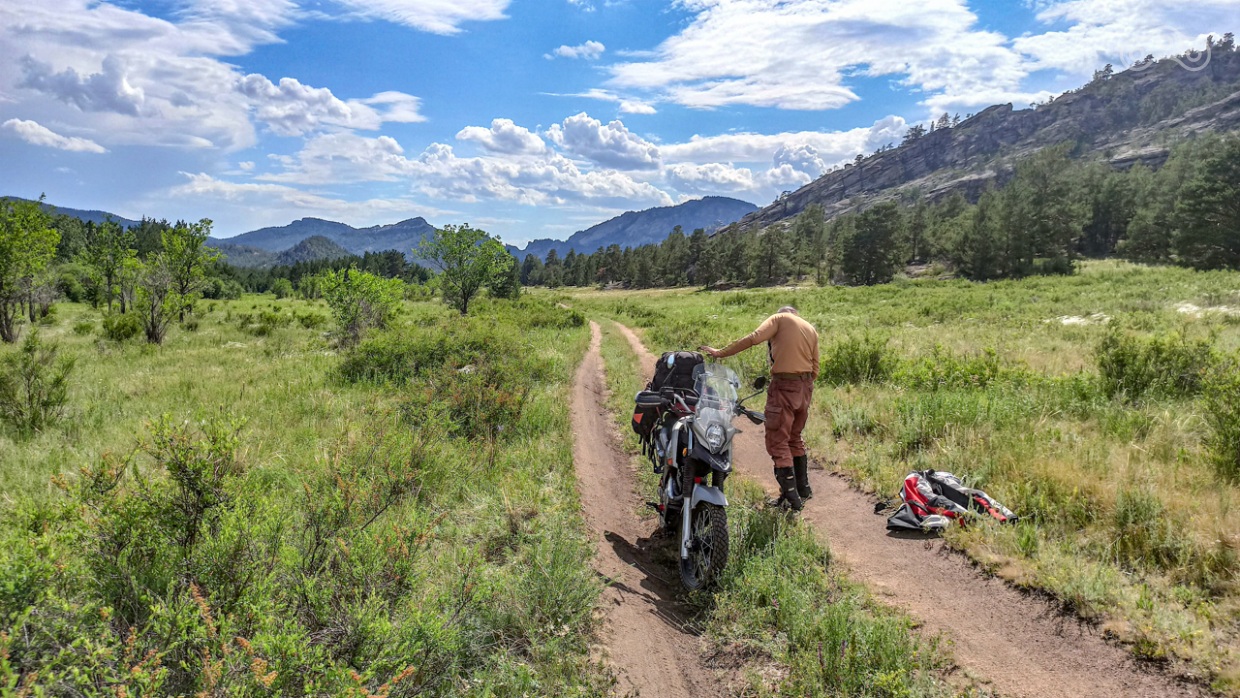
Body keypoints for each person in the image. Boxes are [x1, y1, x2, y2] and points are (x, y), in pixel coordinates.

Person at [699, 306, 819, 511]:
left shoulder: (779, 318)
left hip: (784, 386)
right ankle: (803, 489)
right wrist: (802, 385)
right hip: (805, 387)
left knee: (777, 441)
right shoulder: (809, 328)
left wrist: (721, 353)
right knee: (794, 437)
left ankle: (791, 500)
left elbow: (754, 337)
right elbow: (816, 366)